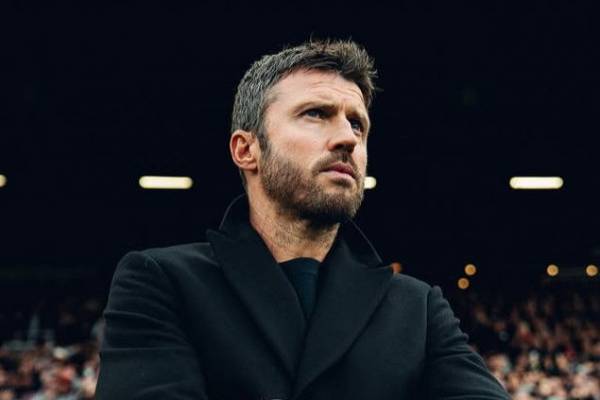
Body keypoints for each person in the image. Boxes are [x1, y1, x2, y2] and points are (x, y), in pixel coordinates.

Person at [96, 39, 510, 399]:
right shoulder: (161, 282)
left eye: (357, 124)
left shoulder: (417, 308)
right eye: (315, 113)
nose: (347, 138)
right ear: (246, 150)